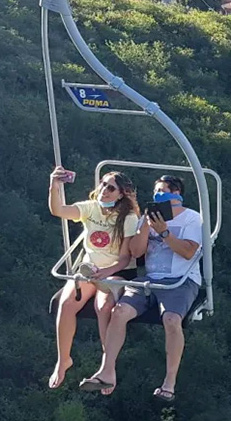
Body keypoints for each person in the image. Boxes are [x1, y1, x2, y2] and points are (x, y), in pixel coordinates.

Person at [80, 175, 202, 401]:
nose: (158, 196)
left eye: (163, 191)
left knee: (172, 320)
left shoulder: (192, 219)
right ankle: (107, 371)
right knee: (119, 312)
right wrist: (146, 225)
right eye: (156, 191)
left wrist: (165, 232)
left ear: (176, 195)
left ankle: (169, 382)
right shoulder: (146, 218)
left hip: (180, 280)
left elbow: (188, 252)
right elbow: (136, 252)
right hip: (149, 280)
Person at [47, 167, 139, 391]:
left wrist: (106, 273)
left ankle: (107, 368)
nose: (104, 191)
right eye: (103, 185)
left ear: (121, 194)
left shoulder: (128, 217)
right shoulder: (90, 208)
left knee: (104, 306)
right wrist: (54, 184)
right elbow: (58, 210)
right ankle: (63, 360)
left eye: (110, 188)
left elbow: (126, 258)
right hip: (90, 269)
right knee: (66, 303)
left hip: (117, 269)